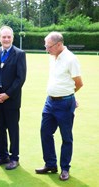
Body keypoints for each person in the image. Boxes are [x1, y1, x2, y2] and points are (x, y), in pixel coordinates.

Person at [35, 32, 83, 181]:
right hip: (49, 102)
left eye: (48, 46)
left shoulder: (71, 59)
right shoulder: (52, 56)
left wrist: (70, 96)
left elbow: (79, 83)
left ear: (58, 45)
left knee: (66, 137)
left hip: (64, 103)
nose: (46, 49)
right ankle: (50, 164)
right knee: (45, 132)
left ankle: (64, 169)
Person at [0, 26, 27, 170]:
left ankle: (14, 157)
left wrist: (7, 94)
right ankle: (2, 155)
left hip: (11, 100)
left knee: (12, 129)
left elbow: (20, 78)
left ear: (12, 38)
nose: (6, 39)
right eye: (3, 37)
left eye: (8, 37)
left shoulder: (19, 54)